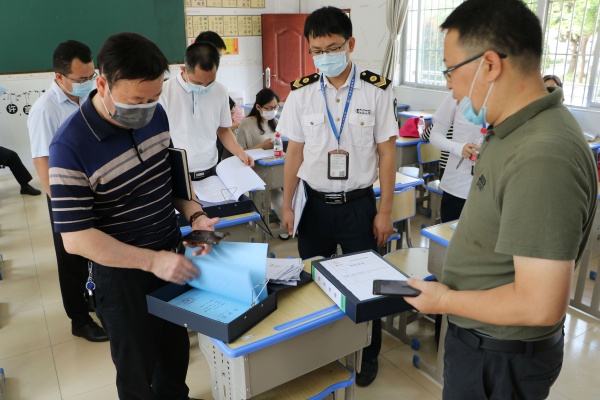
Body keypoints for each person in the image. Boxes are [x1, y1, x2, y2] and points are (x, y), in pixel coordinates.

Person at [404, 1, 597, 399]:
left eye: (450, 70)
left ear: (490, 65)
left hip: (498, 359)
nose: (449, 86)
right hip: (486, 344)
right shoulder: (512, 128)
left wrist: (445, 299)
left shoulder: (543, 154)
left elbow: (540, 305)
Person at [48, 32, 217, 400]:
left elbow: (171, 179)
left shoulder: (156, 115)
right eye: (135, 100)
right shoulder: (69, 146)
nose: (145, 109)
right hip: (122, 278)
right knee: (136, 370)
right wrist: (152, 261)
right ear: (102, 84)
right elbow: (76, 239)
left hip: (170, 258)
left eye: (153, 98)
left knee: (174, 355)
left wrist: (196, 216)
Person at [278, 6, 397, 387]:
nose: (325, 57)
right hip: (314, 206)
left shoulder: (377, 90)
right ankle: (319, 354)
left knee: (369, 287)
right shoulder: (301, 93)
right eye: (317, 51)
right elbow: (294, 153)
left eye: (332, 48)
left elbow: (387, 153)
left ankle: (368, 355)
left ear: (350, 44)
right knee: (311, 283)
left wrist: (385, 211)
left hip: (359, 205)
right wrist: (287, 204)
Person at [27, 40, 108, 343]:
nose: (88, 83)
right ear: (59, 76)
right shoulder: (44, 110)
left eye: (91, 76)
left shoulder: (88, 98)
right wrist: (60, 204)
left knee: (95, 251)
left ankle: (95, 300)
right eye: (81, 79)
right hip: (65, 196)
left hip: (94, 188)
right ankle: (79, 319)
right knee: (71, 258)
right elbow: (41, 160)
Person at [160, 41, 252, 185]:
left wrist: (240, 153)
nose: (204, 87)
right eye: (198, 83)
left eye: (210, 82)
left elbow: (223, 130)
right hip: (176, 173)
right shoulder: (164, 92)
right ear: (184, 69)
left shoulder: (220, 91)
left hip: (211, 171)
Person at [427, 91, 482, 222]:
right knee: (450, 231)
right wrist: (458, 148)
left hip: (492, 188)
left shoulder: (506, 94)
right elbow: (434, 135)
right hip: (458, 185)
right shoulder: (459, 93)